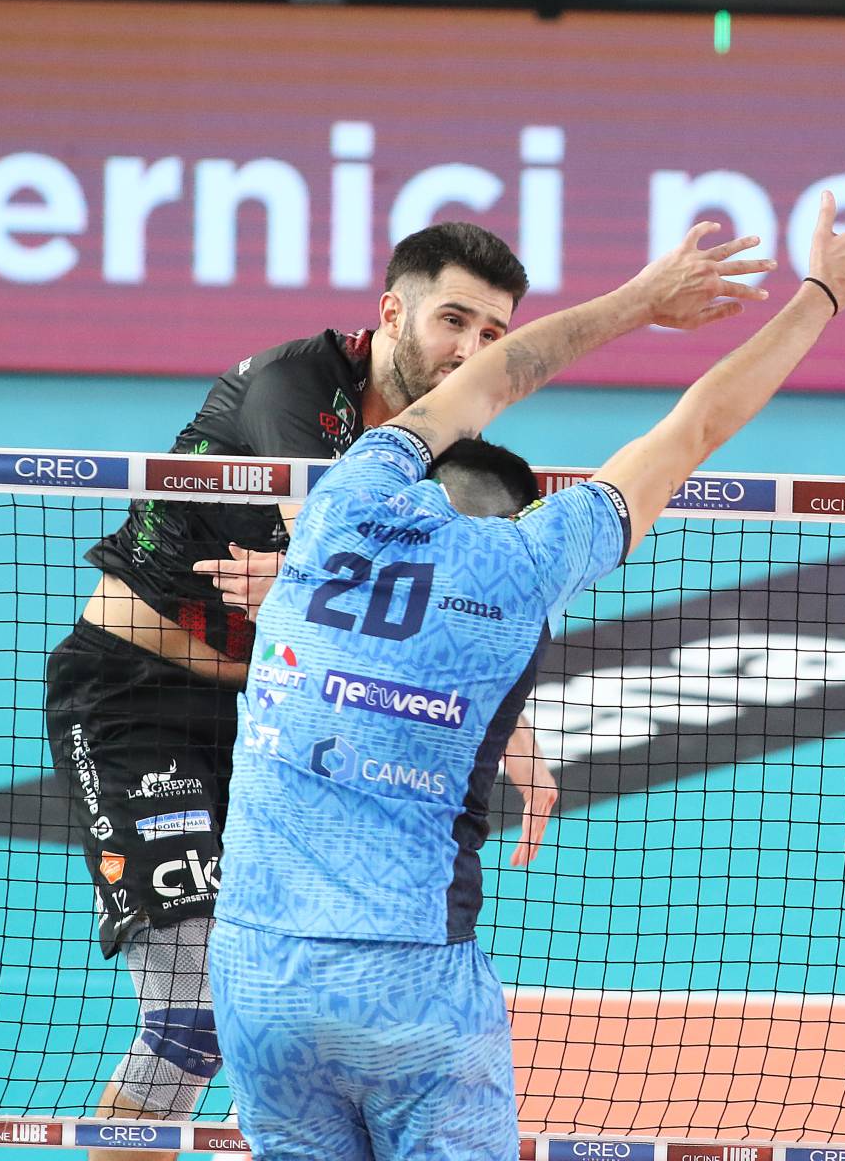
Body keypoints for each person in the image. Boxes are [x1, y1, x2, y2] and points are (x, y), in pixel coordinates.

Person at [208, 184, 845, 1160]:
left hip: (255, 977)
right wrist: (822, 295)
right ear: (523, 512)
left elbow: (489, 384)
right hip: (409, 989)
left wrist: (635, 302)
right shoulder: (529, 562)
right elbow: (695, 426)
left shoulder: (344, 498)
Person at [42, 219, 772, 1156]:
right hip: (137, 698)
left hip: (274, 716)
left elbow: (412, 613)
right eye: (453, 321)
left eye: (492, 333)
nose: (471, 350)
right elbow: (351, 578)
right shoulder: (297, 394)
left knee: (267, 1005)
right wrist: (638, 302)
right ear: (393, 313)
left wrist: (502, 726)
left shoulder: (431, 446)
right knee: (193, 1016)